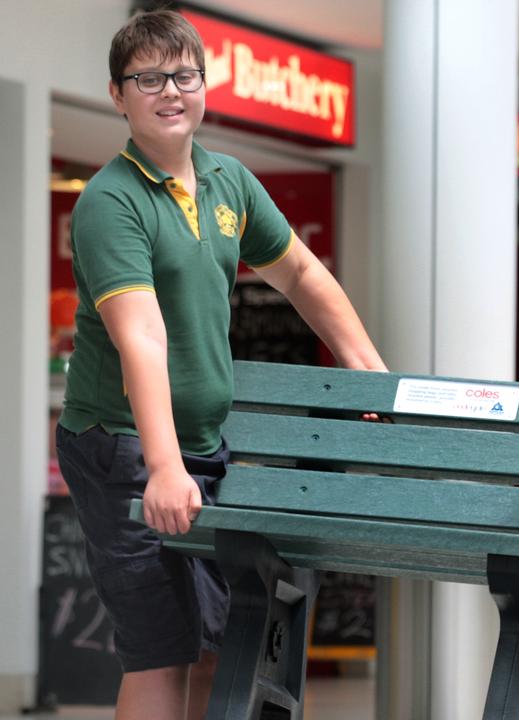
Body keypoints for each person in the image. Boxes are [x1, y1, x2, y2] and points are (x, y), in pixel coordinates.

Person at [55, 10, 386, 720]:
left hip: (204, 447)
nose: (170, 91)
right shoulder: (112, 202)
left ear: (205, 85)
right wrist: (164, 467)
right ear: (118, 95)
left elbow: (301, 274)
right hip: (124, 446)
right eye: (149, 79)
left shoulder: (226, 180)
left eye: (184, 75)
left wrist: (367, 367)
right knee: (161, 651)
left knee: (217, 644)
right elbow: (140, 339)